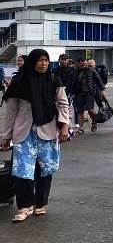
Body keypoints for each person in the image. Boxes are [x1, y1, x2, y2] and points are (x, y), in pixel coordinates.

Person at [1, 49, 70, 222]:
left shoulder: (54, 80)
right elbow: (11, 112)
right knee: (22, 171)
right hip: (24, 132)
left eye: (46, 60)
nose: (44, 63)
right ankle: (25, 206)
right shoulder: (19, 82)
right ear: (32, 62)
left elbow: (63, 104)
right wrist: (6, 136)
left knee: (45, 169)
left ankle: (41, 204)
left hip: (47, 130)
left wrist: (64, 127)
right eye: (40, 60)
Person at [71, 58, 105, 134]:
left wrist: (102, 90)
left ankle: (94, 121)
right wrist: (70, 91)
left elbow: (98, 80)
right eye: (82, 64)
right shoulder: (75, 71)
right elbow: (72, 82)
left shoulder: (91, 70)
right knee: (80, 111)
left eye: (85, 64)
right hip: (78, 93)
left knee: (90, 110)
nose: (84, 66)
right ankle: (81, 128)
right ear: (78, 64)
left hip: (89, 93)